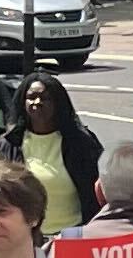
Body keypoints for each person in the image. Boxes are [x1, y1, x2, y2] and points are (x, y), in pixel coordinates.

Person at [8, 73, 99, 226]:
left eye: (46, 98)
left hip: (74, 235)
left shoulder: (81, 142)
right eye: (31, 97)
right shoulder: (11, 142)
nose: (37, 102)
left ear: (58, 103)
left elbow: (97, 191)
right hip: (27, 237)